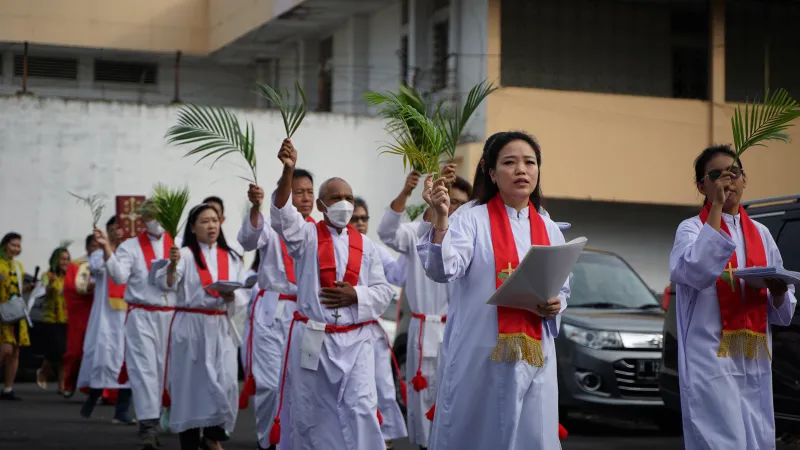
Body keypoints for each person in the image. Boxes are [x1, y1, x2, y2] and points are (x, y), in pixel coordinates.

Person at [417, 131, 569, 449]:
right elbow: (443, 269)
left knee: (531, 436)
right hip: (479, 353)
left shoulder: (550, 228)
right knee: (478, 435)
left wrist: (557, 304)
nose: (521, 170)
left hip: (534, 357)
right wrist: (442, 219)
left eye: (529, 162)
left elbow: (562, 287)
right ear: (491, 173)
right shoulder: (470, 220)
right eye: (509, 162)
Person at [270, 139, 395, 449]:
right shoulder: (306, 235)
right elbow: (282, 214)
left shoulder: (367, 245)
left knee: (361, 406)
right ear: (321, 205)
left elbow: (383, 291)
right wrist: (287, 171)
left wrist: (355, 296)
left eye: (349, 197)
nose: (344, 203)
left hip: (356, 341)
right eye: (336, 197)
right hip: (315, 338)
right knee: (311, 410)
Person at [669, 144, 797, 450]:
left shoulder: (762, 234)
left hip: (753, 360)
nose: (729, 180)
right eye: (717, 174)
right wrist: (715, 208)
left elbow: (783, 313)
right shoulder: (690, 229)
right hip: (711, 359)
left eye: (735, 172)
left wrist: (779, 292)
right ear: (702, 185)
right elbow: (697, 270)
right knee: (723, 442)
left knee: (754, 440)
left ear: (745, 179)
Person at [376, 167, 467, 450]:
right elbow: (387, 232)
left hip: (459, 329)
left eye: (462, 203)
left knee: (455, 395)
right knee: (423, 394)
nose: (453, 207)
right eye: (451, 199)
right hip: (423, 327)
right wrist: (407, 192)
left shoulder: (469, 237)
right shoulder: (418, 232)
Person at [156, 203, 247, 450]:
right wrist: (172, 264)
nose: (212, 225)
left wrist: (233, 297)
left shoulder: (231, 256)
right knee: (191, 386)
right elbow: (167, 284)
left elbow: (243, 293)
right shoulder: (184, 254)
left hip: (220, 325)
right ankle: (189, 440)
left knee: (227, 382)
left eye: (215, 220)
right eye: (205, 221)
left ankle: (212, 434)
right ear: (193, 228)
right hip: (191, 326)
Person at [237, 168, 316, 450]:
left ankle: (294, 441)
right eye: (298, 192)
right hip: (273, 310)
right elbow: (246, 241)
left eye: (309, 191)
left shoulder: (318, 230)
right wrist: (256, 208)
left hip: (306, 315)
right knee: (270, 384)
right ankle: (267, 441)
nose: (305, 198)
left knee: (302, 385)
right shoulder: (270, 226)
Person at [97, 200, 177, 450]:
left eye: (159, 214)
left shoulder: (176, 244)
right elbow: (119, 276)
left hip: (171, 316)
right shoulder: (131, 247)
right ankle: (148, 426)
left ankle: (169, 414)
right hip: (141, 316)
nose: (155, 220)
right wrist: (108, 249)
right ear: (142, 219)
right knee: (145, 372)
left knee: (169, 372)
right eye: (150, 215)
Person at [351, 197, 407, 449]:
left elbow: (397, 275)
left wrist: (410, 248)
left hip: (371, 331)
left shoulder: (373, 248)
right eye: (355, 218)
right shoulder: (329, 246)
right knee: (355, 395)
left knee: (383, 388)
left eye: (364, 218)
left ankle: (384, 441)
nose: (361, 223)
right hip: (342, 332)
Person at [79, 216, 135, 424]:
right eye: (115, 229)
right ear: (108, 231)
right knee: (102, 360)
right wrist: (106, 247)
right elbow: (98, 268)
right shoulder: (97, 255)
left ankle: (122, 411)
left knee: (127, 361)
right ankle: (93, 397)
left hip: (129, 315)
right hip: (105, 317)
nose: (120, 233)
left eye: (123, 229)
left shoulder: (133, 253)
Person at [61, 234, 100, 397]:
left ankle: (96, 389)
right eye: (93, 246)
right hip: (80, 315)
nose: (96, 249)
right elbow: (69, 287)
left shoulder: (107, 263)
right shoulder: (76, 265)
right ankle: (69, 383)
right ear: (87, 247)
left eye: (99, 246)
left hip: (99, 314)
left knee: (98, 353)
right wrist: (86, 289)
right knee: (76, 352)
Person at [0, 232, 34, 400]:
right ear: (5, 244)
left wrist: (28, 288)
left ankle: (8, 388)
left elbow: (17, 289)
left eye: (18, 245)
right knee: (5, 349)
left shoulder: (18, 266)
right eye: (13, 244)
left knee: (15, 352)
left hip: (16, 313)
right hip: (2, 313)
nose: (16, 248)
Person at [37, 246, 71, 393]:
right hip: (51, 319)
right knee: (57, 351)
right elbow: (43, 289)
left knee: (65, 354)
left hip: (67, 318)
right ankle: (43, 371)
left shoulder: (70, 276)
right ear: (55, 260)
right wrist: (49, 286)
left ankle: (61, 385)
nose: (65, 262)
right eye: (62, 259)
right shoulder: (47, 275)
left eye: (67, 259)